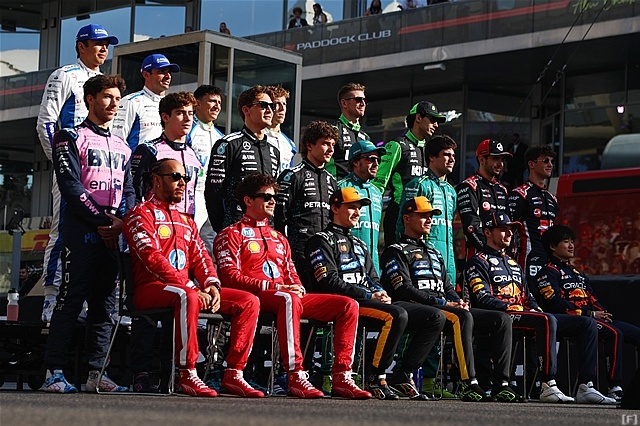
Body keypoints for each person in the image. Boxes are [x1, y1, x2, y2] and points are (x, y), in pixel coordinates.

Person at [214, 173, 372, 400]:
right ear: (248, 200)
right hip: (255, 297)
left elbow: (291, 274)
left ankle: (342, 377)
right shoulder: (230, 234)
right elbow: (230, 277)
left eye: (274, 197)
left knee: (348, 305)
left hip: (286, 298)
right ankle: (295, 374)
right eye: (266, 197)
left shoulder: (279, 238)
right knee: (288, 299)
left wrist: (296, 286)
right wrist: (275, 286)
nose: (272, 201)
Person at [123, 159, 263, 398]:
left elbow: (201, 258)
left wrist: (212, 285)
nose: (182, 183)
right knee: (187, 295)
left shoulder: (186, 220)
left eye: (186, 178)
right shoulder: (140, 214)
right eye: (175, 177)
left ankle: (234, 373)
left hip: (184, 291)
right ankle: (187, 373)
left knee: (248, 301)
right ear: (156, 180)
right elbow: (152, 259)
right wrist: (190, 286)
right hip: (150, 289)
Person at [306, 187, 446, 400]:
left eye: (359, 208)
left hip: (367, 301)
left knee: (435, 317)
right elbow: (328, 281)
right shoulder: (321, 240)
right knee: (396, 315)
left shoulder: (360, 244)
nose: (357, 212)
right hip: (343, 303)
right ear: (335, 208)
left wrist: (379, 292)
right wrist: (367, 295)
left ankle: (402, 374)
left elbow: (373, 278)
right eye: (351, 207)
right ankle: (376, 377)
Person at [464, 212, 617, 404]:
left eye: (511, 230)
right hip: (498, 315)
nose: (509, 234)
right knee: (546, 319)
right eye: (503, 230)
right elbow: (482, 297)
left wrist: (535, 309)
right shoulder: (478, 261)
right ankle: (548, 384)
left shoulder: (513, 263)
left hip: (522, 314)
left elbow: (528, 297)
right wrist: (509, 306)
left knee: (586, 323)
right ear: (487, 232)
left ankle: (586, 386)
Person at [42, 74, 134, 393]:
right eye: (107, 97)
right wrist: (102, 222)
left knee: (105, 307)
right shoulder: (69, 136)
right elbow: (70, 185)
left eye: (117, 99)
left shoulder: (122, 145)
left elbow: (129, 190)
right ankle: (54, 372)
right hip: (81, 230)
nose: (113, 104)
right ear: (90, 99)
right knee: (70, 301)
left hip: (112, 234)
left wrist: (121, 222)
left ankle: (97, 373)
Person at [381, 197, 519, 402]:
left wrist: (457, 300)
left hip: (444, 307)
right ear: (407, 219)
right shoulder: (396, 250)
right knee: (461, 317)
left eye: (431, 216)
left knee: (501, 319)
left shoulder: (435, 253)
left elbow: (448, 288)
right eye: (423, 216)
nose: (429, 220)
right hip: (420, 309)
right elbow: (403, 289)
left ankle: (502, 385)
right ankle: (469, 383)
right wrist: (443, 303)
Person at [35, 23, 119, 323]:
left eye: (106, 44)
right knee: (62, 231)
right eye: (97, 43)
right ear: (81, 46)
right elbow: (46, 122)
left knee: (99, 232)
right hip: (71, 167)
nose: (103, 48)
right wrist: (63, 165)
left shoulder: (107, 84)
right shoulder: (65, 75)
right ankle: (51, 299)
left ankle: (86, 300)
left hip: (101, 170)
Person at [536, 224, 640, 402]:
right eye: (566, 241)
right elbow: (555, 304)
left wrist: (601, 312)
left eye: (572, 241)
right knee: (614, 333)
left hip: (592, 318)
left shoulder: (578, 273)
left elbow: (592, 298)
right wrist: (590, 314)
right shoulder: (547, 272)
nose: (571, 245)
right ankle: (613, 388)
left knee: (636, 334)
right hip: (570, 321)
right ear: (552, 246)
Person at [205, 85, 280, 232]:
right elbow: (213, 191)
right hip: (236, 227)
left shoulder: (274, 151)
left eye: (272, 106)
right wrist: (222, 228)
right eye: (263, 105)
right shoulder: (228, 144)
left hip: (266, 230)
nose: (269, 110)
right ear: (246, 110)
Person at [373, 101, 446, 246]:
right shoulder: (397, 145)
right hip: (399, 214)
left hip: (424, 217)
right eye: (432, 120)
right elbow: (378, 183)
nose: (436, 125)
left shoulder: (431, 152)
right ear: (418, 118)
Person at [275, 120, 337, 288]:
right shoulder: (292, 176)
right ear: (309, 145)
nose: (330, 149)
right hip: (299, 253)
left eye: (332, 144)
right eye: (325, 143)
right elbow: (278, 217)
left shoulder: (331, 181)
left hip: (326, 254)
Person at [396, 134, 457, 281]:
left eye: (453, 155)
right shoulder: (418, 185)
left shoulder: (451, 191)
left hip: (449, 264)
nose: (452, 159)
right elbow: (401, 226)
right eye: (446, 155)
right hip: (423, 263)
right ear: (432, 157)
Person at [130, 92, 201, 216]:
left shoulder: (193, 154)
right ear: (165, 117)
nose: (187, 118)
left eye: (190, 113)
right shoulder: (150, 150)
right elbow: (134, 192)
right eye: (180, 113)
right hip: (156, 220)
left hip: (186, 221)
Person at [508, 145, 559, 287]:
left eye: (552, 161)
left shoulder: (552, 199)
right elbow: (508, 230)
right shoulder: (519, 195)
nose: (550, 164)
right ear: (531, 164)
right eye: (546, 160)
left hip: (549, 261)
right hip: (527, 259)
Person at [112, 53, 180, 152]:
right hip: (137, 161)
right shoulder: (130, 102)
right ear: (146, 75)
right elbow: (117, 141)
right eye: (161, 71)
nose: (168, 76)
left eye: (169, 72)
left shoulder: (174, 106)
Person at [456, 139, 511, 260]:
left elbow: (508, 226)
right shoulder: (469, 186)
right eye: (495, 159)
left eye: (502, 159)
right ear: (481, 160)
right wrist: (490, 252)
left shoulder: (502, 190)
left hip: (501, 257)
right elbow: (471, 227)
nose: (500, 164)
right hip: (477, 257)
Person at [186, 85, 225, 254]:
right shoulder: (188, 130)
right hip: (192, 193)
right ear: (198, 104)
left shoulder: (220, 137)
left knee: (210, 242)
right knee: (190, 239)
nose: (217, 106)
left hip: (212, 195)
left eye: (219, 102)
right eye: (212, 101)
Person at [338, 140, 386, 273]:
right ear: (355, 162)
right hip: (349, 264)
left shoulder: (377, 193)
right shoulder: (341, 187)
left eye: (378, 160)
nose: (376, 164)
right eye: (371, 159)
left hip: (374, 266)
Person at [328, 83, 370, 180]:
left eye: (364, 100)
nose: (363, 103)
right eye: (358, 100)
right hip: (337, 186)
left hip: (359, 188)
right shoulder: (332, 131)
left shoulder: (365, 137)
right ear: (344, 103)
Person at [265, 85, 297, 174]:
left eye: (284, 104)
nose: (282, 108)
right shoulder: (257, 137)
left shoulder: (290, 144)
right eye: (277, 104)